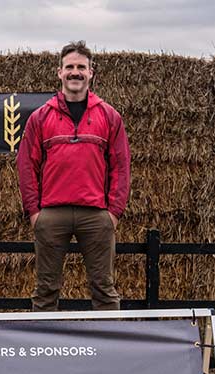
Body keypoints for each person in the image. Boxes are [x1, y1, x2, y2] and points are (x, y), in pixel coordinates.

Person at [16, 40, 131, 311]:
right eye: (70, 67)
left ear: (91, 73)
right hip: (52, 214)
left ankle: (109, 349)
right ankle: (45, 350)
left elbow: (121, 166)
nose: (75, 72)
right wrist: (34, 212)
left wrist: (113, 212)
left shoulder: (109, 116)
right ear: (59, 73)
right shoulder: (41, 117)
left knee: (104, 288)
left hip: (96, 215)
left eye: (81, 67)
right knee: (45, 290)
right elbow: (27, 166)